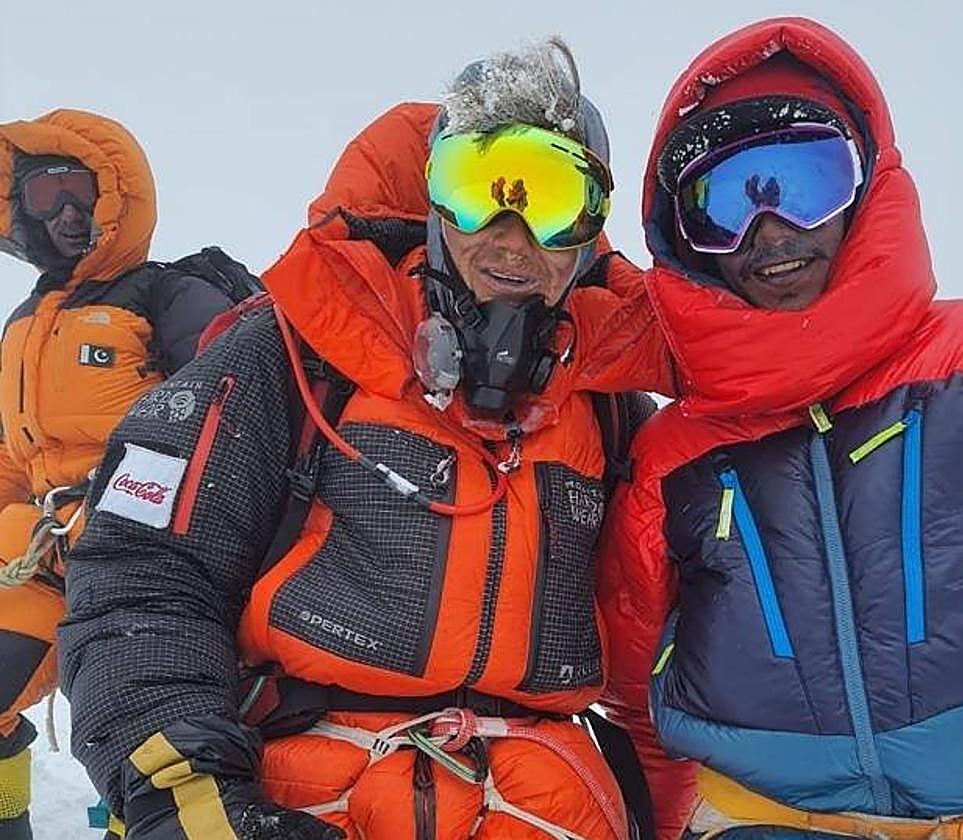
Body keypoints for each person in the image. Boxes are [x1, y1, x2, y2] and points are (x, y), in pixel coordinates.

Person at [598, 16, 963, 840]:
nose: (769, 231)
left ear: (865, 184)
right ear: (682, 238)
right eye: (722, 205)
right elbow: (637, 712)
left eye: (804, 181)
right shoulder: (674, 460)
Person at [59, 40, 671, 840]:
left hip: (546, 807)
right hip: (298, 800)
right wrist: (199, 807)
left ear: (591, 229)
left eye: (555, 197)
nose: (511, 236)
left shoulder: (615, 407)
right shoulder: (300, 357)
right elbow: (141, 580)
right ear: (432, 198)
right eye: (478, 187)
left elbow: (672, 643)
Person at [0, 110, 241, 840]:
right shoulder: (23, 323)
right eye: (45, 197)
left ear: (118, 196)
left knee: (148, 737)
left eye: (82, 190)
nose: (67, 213)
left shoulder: (169, 295)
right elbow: (13, 458)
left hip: (146, 561)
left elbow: (237, 420)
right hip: (41, 555)